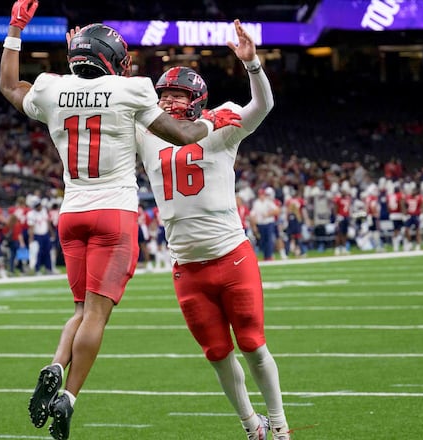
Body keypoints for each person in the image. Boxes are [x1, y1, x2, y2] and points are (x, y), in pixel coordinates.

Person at [0, 2, 241, 439]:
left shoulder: (52, 88)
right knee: (96, 315)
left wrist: (16, 29)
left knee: (78, 310)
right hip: (113, 212)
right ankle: (69, 396)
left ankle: (56, 363)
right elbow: (183, 134)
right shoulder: (132, 90)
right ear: (115, 61)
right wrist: (212, 121)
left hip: (71, 212)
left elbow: (10, 85)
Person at [135, 19, 290, 440]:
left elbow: (262, 107)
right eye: (164, 93)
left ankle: (279, 425)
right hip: (187, 266)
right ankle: (250, 426)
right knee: (217, 354)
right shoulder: (146, 133)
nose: (168, 101)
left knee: (254, 345)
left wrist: (252, 64)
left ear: (197, 98)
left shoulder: (219, 127)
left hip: (232, 256)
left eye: (177, 94)